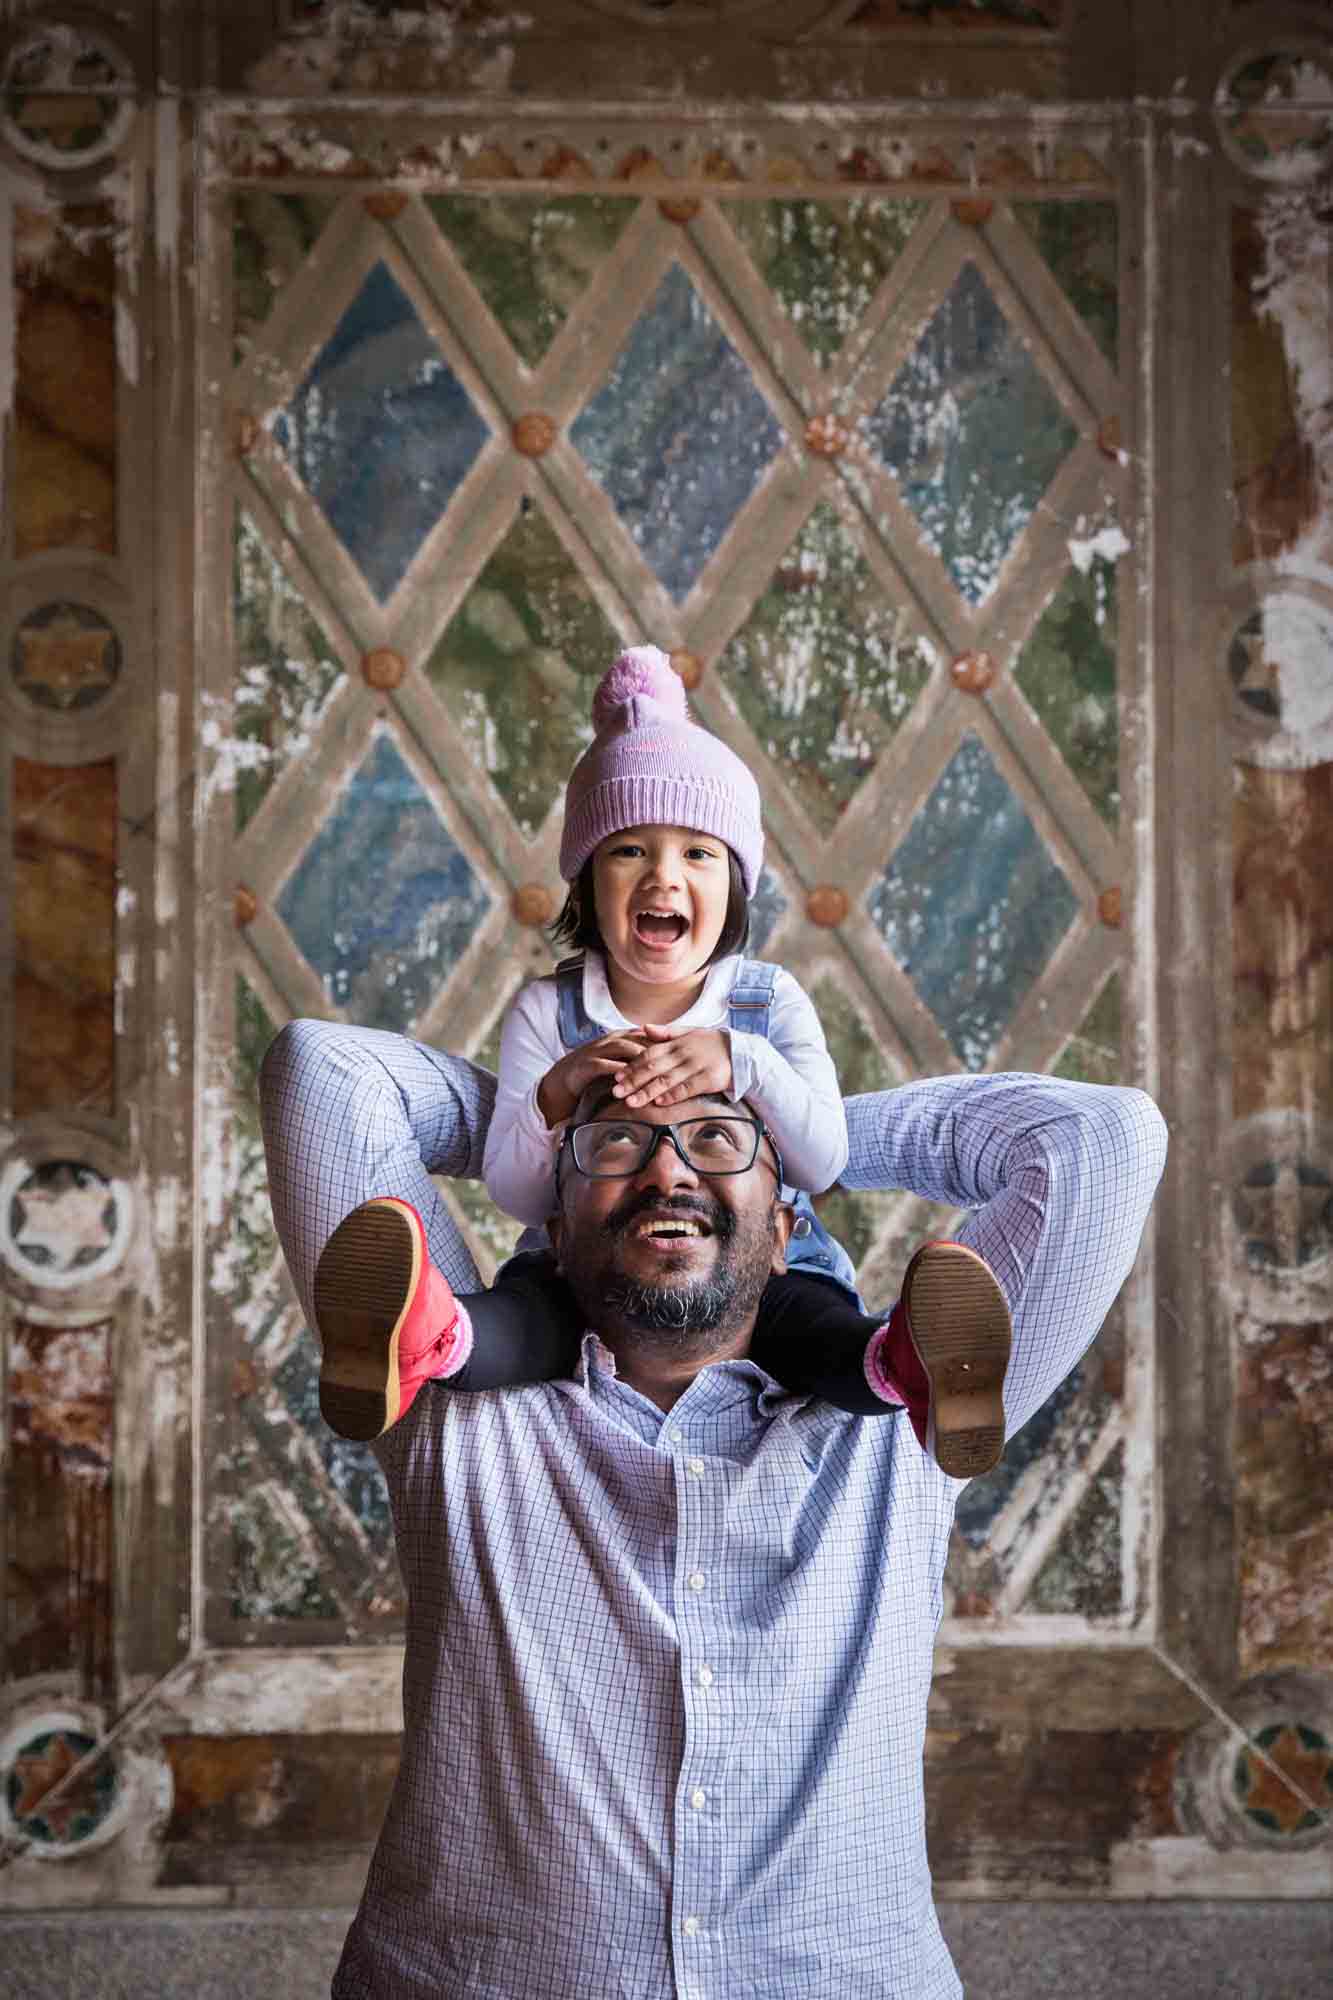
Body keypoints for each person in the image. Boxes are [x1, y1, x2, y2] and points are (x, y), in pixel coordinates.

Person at [257, 1022, 1167, 1999]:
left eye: (719, 1140)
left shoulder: (917, 1407)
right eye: (614, 1144)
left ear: (785, 1223)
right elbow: (322, 1069)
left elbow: (1104, 1134)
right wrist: (553, 1103)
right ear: (553, 1226)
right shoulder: (442, 1386)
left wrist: (803, 1117)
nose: (667, 1171)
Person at [311, 645, 1012, 1479]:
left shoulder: (764, 1003)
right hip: (585, 1249)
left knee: (807, 1328)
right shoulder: (550, 1011)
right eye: (628, 850)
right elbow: (518, 1193)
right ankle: (416, 1331)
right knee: (528, 1320)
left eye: (697, 853)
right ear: (585, 885)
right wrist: (556, 1091)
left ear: (736, 887)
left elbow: (823, 1159)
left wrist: (740, 1064)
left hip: (755, 1254)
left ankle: (912, 1364)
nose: (663, 876)